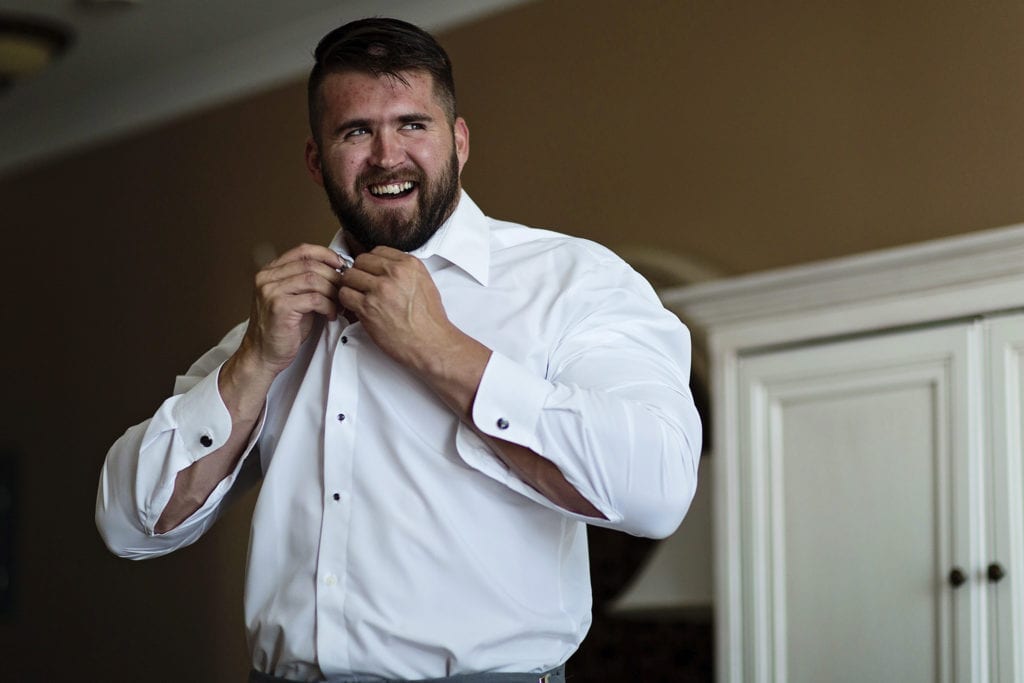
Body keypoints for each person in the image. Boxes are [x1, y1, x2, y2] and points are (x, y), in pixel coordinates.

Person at [96, 17, 701, 683]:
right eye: (356, 131)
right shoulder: (277, 323)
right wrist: (253, 364)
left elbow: (659, 486)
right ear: (315, 159)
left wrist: (440, 349)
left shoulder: (573, 281)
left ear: (459, 141)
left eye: (413, 123)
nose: (387, 155)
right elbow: (128, 523)